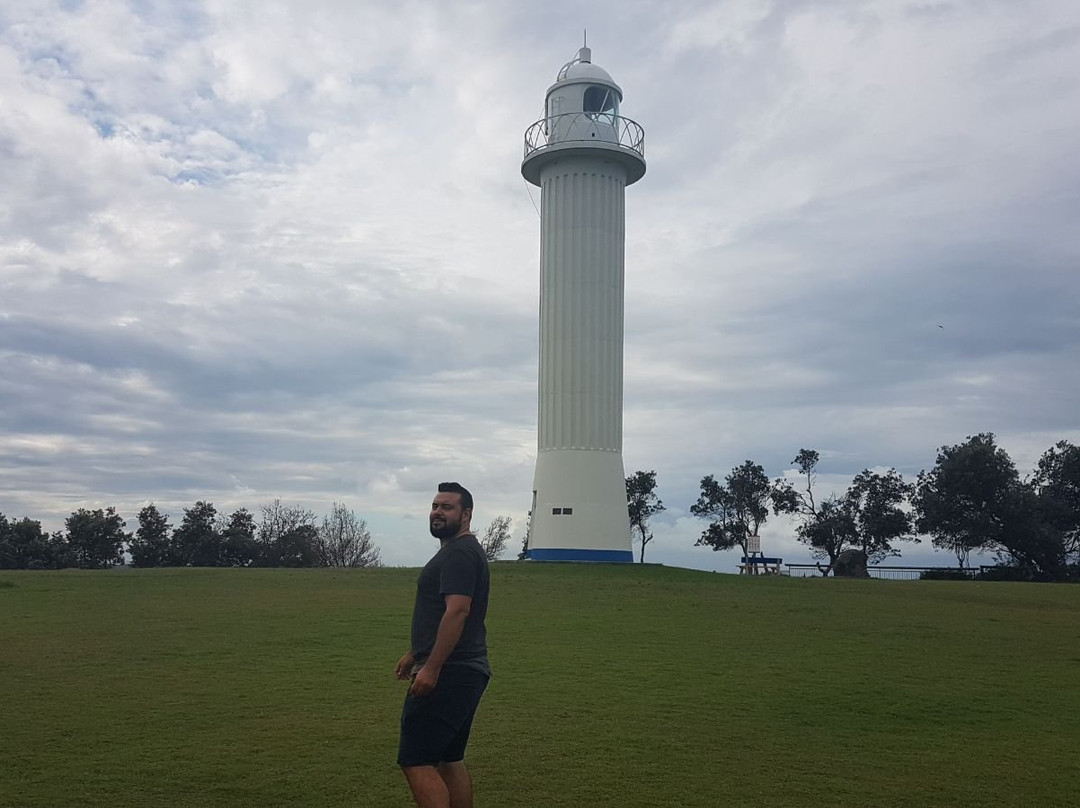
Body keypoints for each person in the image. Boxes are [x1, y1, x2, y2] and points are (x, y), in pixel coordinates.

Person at [396, 482, 491, 808]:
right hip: (465, 669)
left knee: (417, 760)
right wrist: (415, 652)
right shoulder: (459, 551)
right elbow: (444, 611)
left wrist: (432, 666)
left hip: (450, 671)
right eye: (435, 506)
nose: (437, 512)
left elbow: (458, 610)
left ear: (466, 514)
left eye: (446, 507)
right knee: (449, 758)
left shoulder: (459, 554)